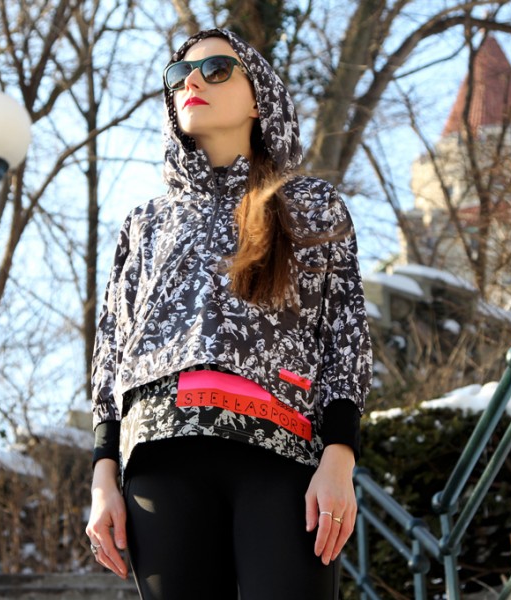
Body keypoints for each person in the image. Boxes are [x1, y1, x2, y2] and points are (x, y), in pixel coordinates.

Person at [86, 27, 372, 600]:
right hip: (161, 457)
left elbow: (344, 337)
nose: (191, 81)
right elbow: (112, 355)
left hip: (284, 455)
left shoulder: (311, 206)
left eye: (216, 69)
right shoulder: (144, 223)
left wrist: (339, 458)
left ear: (259, 97)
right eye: (178, 76)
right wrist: (102, 477)